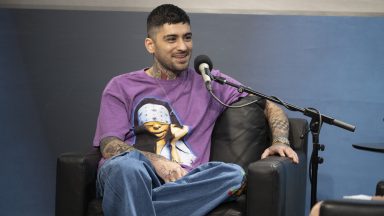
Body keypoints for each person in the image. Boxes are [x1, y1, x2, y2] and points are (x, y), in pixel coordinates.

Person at [94, 4, 299, 216]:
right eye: (171, 39)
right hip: (132, 175)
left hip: (185, 182)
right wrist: (156, 161)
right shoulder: (121, 86)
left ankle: (136, 206)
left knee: (234, 175)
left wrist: (280, 141)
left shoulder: (208, 82)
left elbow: (269, 104)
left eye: (187, 37)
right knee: (126, 169)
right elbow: (109, 145)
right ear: (150, 45)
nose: (183, 46)